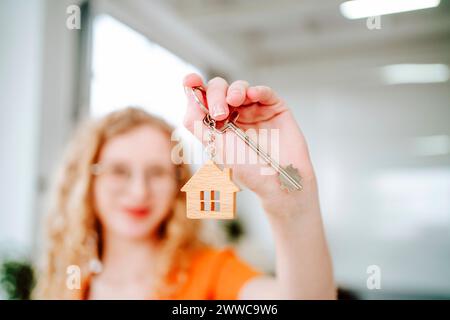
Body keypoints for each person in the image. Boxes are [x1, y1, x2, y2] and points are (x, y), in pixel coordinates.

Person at [35, 73, 336, 299]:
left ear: (178, 184)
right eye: (118, 171)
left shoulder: (213, 274)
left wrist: (291, 199)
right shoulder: (68, 284)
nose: (139, 191)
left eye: (157, 172)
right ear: (88, 180)